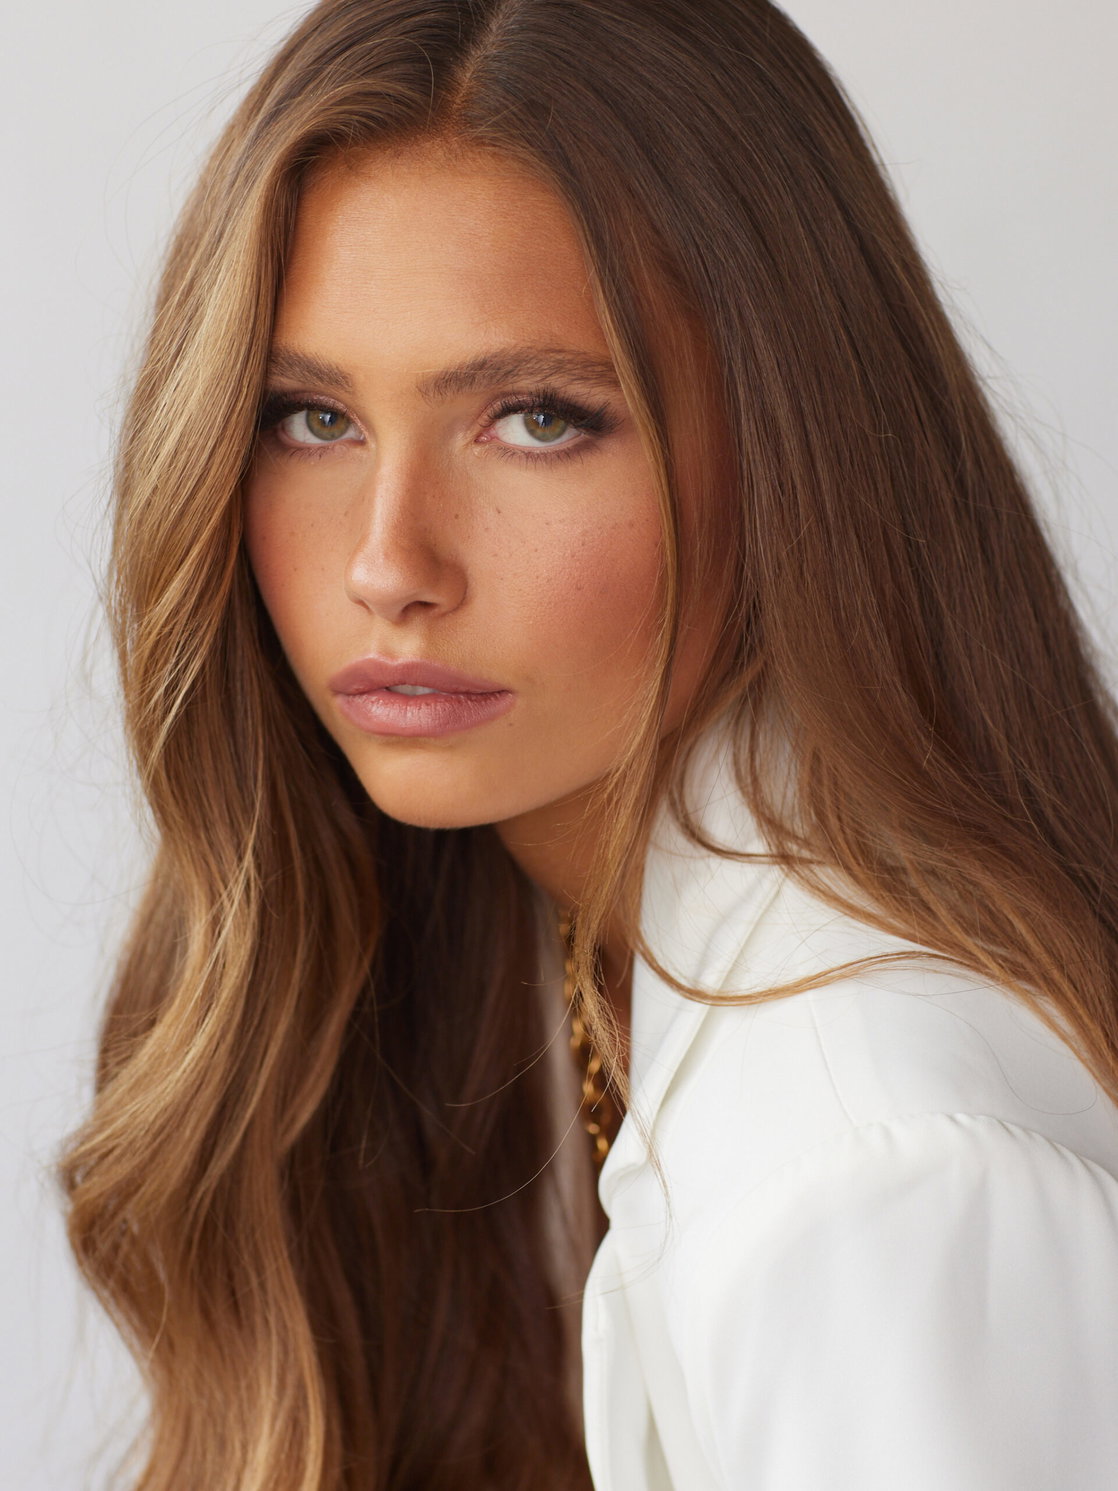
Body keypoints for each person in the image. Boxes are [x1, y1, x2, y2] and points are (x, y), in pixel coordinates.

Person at [60, 1, 1118, 1488]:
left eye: (538, 420)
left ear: (794, 447)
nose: (388, 565)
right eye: (310, 419)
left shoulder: (867, 1185)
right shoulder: (575, 960)